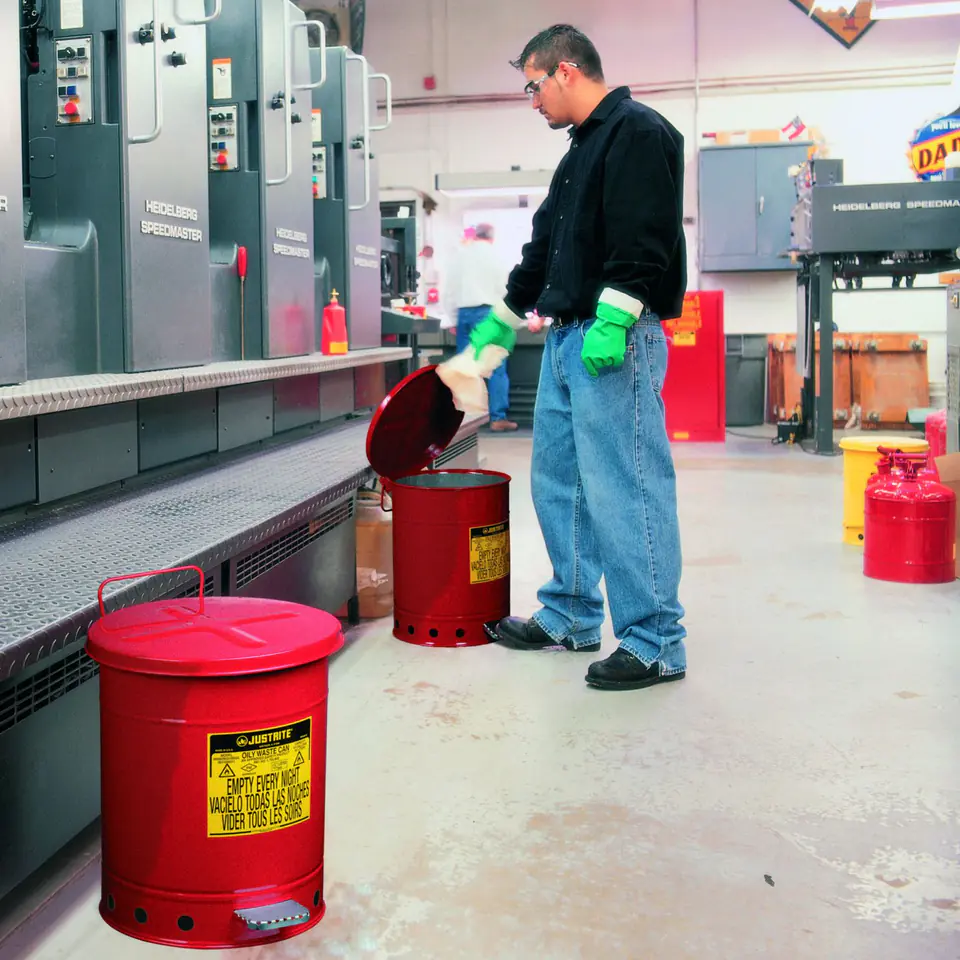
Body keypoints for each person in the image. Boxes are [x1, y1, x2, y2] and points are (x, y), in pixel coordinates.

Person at [470, 24, 688, 691]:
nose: (533, 101)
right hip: (567, 340)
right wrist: (503, 319)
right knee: (559, 483)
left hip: (614, 340)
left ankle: (656, 642)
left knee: (627, 487)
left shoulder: (639, 132)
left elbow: (647, 236)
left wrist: (615, 318)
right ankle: (570, 614)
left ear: (565, 70)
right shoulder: (580, 151)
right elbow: (545, 248)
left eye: (534, 87)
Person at [446, 223, 518, 432]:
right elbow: (506, 290)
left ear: (475, 236)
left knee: (465, 367)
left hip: (464, 314)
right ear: (491, 238)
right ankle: (498, 418)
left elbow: (449, 290)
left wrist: (452, 318)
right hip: (490, 314)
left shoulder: (460, 256)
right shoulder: (497, 256)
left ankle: (464, 421)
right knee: (496, 367)